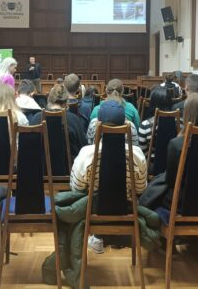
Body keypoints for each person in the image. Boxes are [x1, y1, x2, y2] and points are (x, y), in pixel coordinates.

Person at [71, 100, 147, 254]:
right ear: (125, 124)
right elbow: (141, 189)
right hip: (127, 209)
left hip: (93, 211)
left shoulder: (86, 154)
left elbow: (76, 188)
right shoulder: (137, 154)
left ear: (98, 125)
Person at [29, 84, 87, 159]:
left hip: (39, 165)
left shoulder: (36, 118)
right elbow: (83, 147)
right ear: (66, 104)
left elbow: (29, 148)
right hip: (68, 166)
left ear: (48, 100)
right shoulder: (74, 119)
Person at [138, 85, 172, 156]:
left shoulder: (145, 125)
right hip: (173, 161)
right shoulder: (177, 122)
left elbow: (143, 151)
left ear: (152, 103)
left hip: (151, 161)